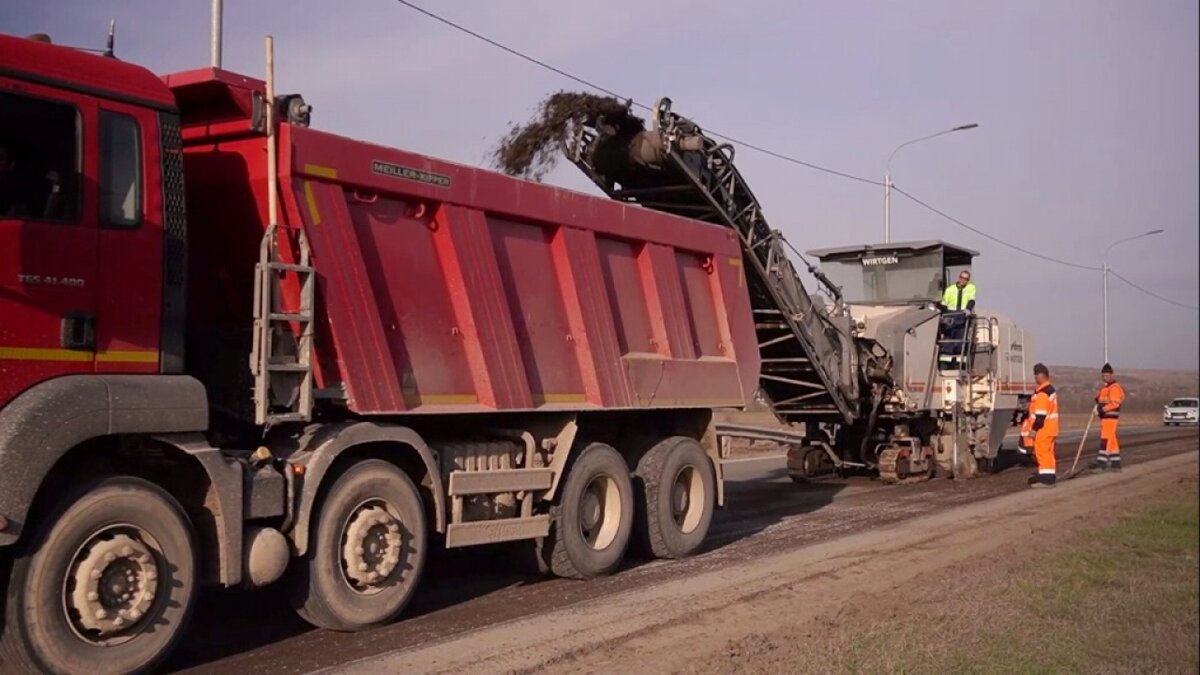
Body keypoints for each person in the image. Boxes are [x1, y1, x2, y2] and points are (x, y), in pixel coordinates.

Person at [1026, 363, 1059, 488]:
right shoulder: (1050, 390)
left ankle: (1045, 478)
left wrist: (1034, 429)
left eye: (1036, 375)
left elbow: (1040, 416)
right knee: (1049, 453)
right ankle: (1050, 475)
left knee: (1042, 452)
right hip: (1051, 428)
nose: (1035, 378)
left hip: (1043, 429)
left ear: (1041, 376)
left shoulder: (1042, 394)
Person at [1089, 363, 1126, 472]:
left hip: (1111, 417)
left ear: (1111, 375)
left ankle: (1102, 462)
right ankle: (1116, 463)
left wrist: (1101, 410)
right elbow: (1100, 398)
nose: (1105, 377)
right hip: (1105, 418)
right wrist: (1097, 399)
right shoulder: (1105, 388)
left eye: (1107, 375)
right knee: (1112, 440)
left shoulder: (1114, 387)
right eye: (1103, 375)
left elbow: (1115, 404)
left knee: (1105, 439)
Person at [938, 270, 977, 366]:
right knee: (949, 338)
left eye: (966, 279)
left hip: (962, 315)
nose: (963, 280)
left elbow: (972, 300)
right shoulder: (950, 289)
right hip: (950, 315)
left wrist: (968, 309)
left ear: (968, 280)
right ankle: (946, 363)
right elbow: (944, 304)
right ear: (959, 278)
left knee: (961, 338)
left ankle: (960, 363)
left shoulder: (971, 287)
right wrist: (942, 314)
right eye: (962, 278)